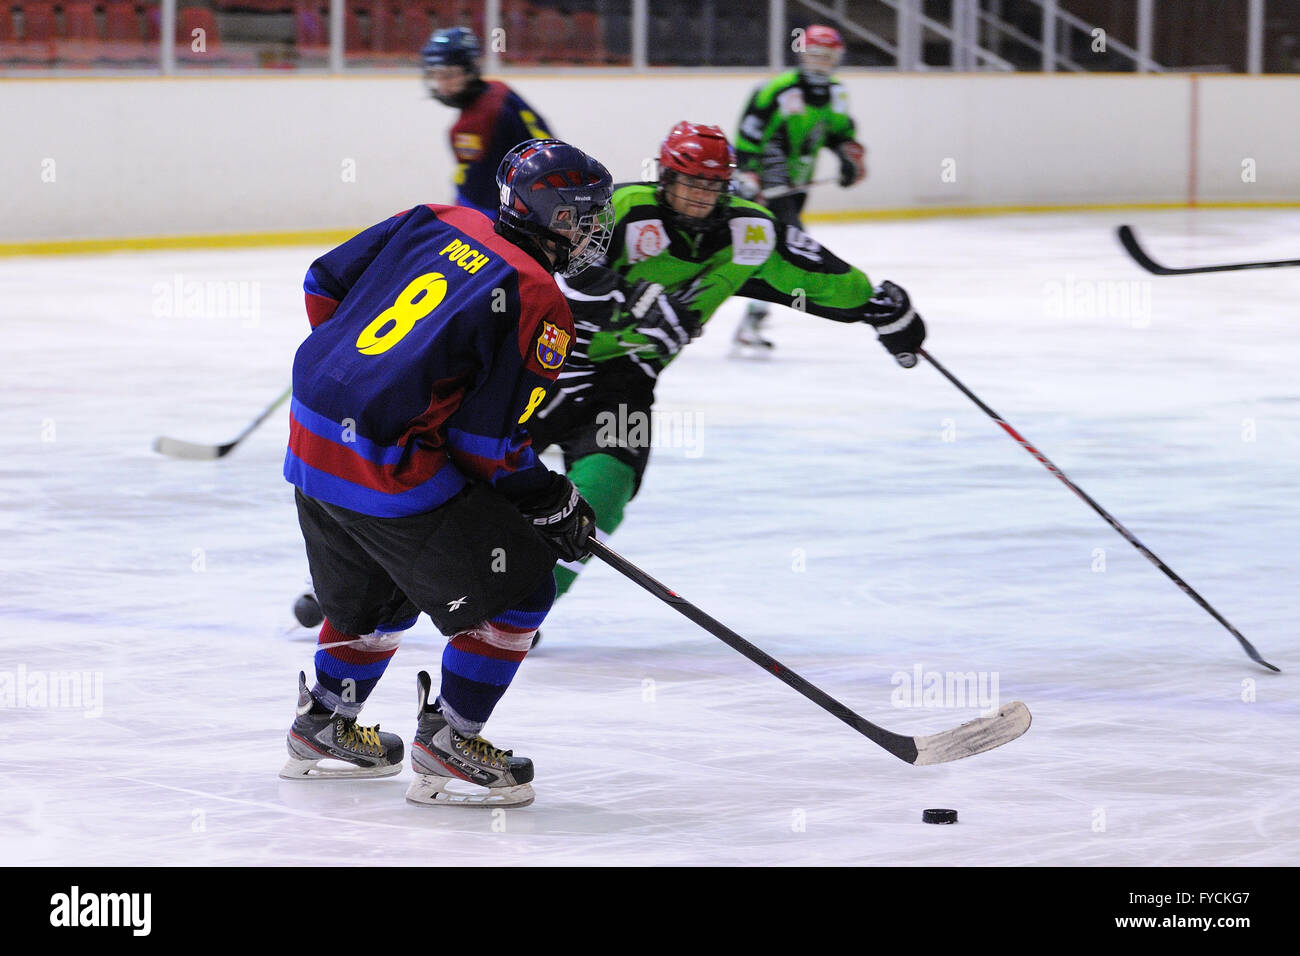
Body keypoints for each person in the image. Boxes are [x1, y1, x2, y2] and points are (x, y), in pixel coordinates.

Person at [280, 139, 614, 809]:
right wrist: (550, 500)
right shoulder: (537, 296)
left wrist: (363, 368)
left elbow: (323, 279)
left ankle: (323, 724)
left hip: (311, 435)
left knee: (373, 598)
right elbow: (484, 443)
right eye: (582, 216)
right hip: (383, 463)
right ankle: (452, 743)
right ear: (548, 215)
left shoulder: (438, 217)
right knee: (521, 591)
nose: (592, 231)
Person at [527, 121, 922, 602]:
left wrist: (876, 305)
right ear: (666, 178)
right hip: (542, 367)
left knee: (607, 488)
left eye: (711, 186)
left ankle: (525, 602)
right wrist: (637, 299)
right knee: (474, 476)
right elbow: (554, 269)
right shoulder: (621, 212)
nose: (698, 196)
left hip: (627, 381)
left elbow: (812, 272)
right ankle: (424, 587)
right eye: (689, 182)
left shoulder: (750, 231)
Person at [732, 23, 867, 348]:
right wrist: (748, 174)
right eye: (813, 55)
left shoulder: (837, 93)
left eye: (826, 56)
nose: (819, 62)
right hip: (766, 185)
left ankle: (748, 319)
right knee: (784, 247)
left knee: (766, 249)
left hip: (797, 185)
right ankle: (749, 319)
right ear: (802, 55)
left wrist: (849, 159)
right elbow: (748, 135)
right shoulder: (776, 90)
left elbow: (839, 134)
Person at [422, 26, 554, 220]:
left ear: (470, 71)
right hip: (545, 199)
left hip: (508, 218)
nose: (442, 84)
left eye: (449, 74)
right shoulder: (498, 89)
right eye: (436, 75)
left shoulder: (470, 126)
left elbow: (479, 200)